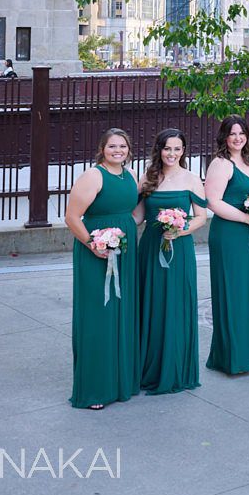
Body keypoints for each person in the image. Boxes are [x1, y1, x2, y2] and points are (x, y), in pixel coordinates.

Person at [66, 128, 142, 409]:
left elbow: (134, 213)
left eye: (122, 146)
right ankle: (96, 389)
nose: (118, 151)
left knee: (122, 312)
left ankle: (122, 381)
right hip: (96, 251)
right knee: (99, 314)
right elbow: (72, 217)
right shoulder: (93, 176)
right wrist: (92, 244)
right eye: (112, 146)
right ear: (102, 148)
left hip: (124, 249)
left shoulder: (130, 175)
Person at [136, 128, 207, 394]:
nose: (172, 153)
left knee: (176, 305)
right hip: (151, 248)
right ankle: (148, 368)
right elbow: (138, 215)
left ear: (183, 151)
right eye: (167, 148)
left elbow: (201, 216)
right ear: (159, 150)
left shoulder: (191, 179)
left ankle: (175, 367)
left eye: (177, 149)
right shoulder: (148, 177)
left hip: (180, 250)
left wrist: (181, 229)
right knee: (151, 304)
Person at [204, 115, 249, 375]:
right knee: (234, 293)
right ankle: (233, 357)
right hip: (230, 234)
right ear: (224, 136)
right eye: (232, 133)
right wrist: (248, 218)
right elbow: (213, 201)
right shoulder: (221, 164)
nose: (237, 138)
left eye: (241, 133)